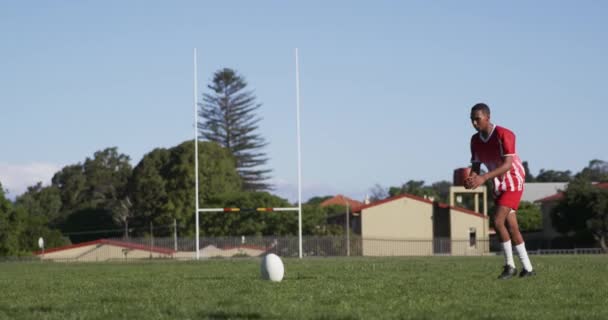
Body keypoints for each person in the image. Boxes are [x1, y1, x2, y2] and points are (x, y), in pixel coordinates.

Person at [465, 103, 535, 279]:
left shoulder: (504, 134)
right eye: (471, 119)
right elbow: (476, 165)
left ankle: (509, 266)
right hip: (497, 183)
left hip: (513, 181)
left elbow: (508, 164)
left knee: (497, 221)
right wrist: (472, 179)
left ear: (488, 117)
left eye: (477, 119)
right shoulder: (475, 140)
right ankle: (528, 268)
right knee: (512, 226)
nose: (474, 123)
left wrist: (483, 178)